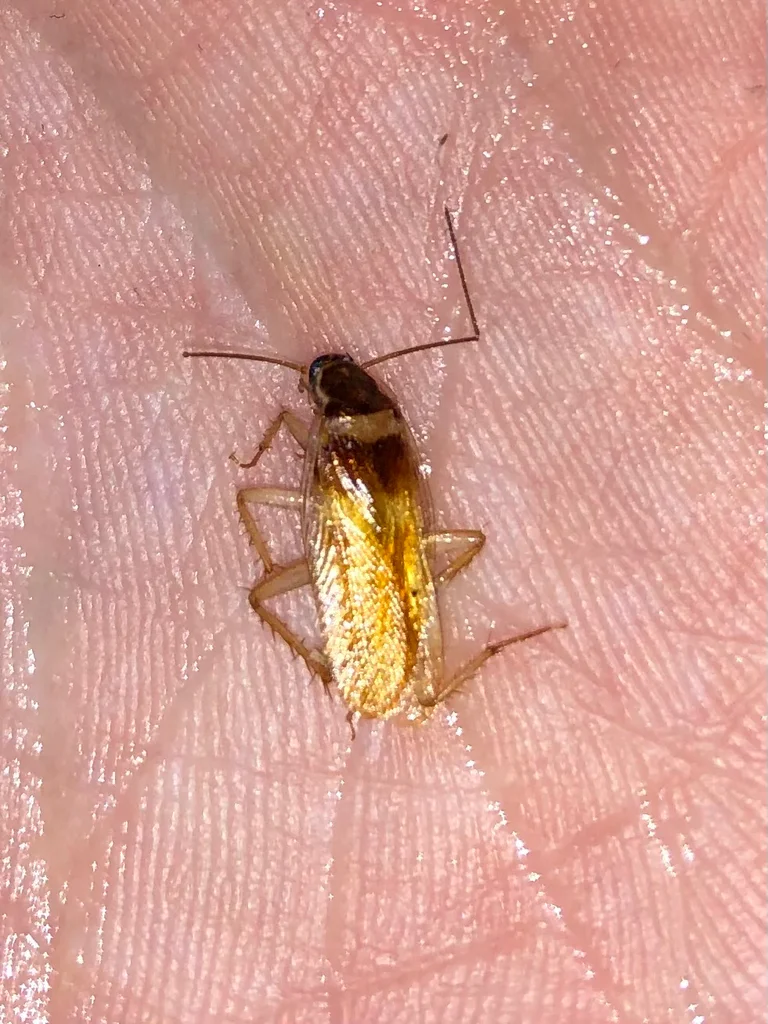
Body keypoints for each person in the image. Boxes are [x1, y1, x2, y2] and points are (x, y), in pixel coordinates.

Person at [2, 2, 764, 1020]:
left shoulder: (326, 439)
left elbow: (262, 488)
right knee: (305, 562)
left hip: (363, 544)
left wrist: (305, 500)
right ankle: (367, 670)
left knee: (266, 552)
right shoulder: (365, 434)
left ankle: (356, 670)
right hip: (373, 540)